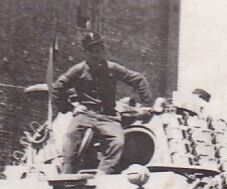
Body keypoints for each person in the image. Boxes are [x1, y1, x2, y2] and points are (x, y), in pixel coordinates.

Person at [51, 32, 152, 174]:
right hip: (85, 114)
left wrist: (147, 103)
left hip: (108, 116)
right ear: (86, 53)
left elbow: (138, 79)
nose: (96, 55)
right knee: (71, 139)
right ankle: (66, 175)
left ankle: (102, 174)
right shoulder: (78, 70)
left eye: (99, 51)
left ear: (102, 51)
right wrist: (68, 107)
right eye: (92, 52)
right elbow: (58, 87)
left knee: (118, 142)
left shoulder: (112, 68)